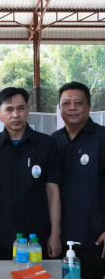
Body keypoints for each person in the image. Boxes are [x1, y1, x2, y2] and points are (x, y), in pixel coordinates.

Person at [0, 87, 61, 260]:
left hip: (37, 238)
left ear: (27, 110)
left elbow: (52, 192)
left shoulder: (47, 145)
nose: (15, 114)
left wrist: (55, 233)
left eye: (20, 108)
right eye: (9, 109)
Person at [52, 81, 105, 279]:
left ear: (89, 107)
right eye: (66, 103)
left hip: (95, 239)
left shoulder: (102, 138)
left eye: (78, 103)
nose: (72, 108)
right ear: (59, 108)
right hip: (57, 239)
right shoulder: (52, 142)